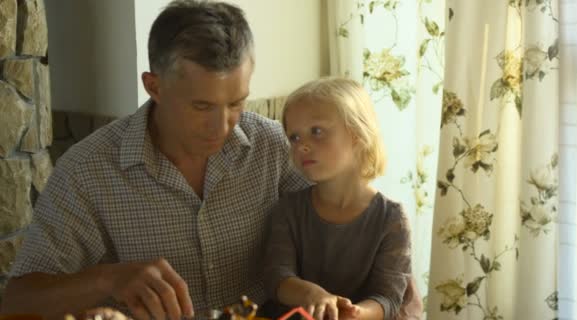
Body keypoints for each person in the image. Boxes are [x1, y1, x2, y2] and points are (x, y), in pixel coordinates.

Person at [1, 1, 422, 320]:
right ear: (155, 86)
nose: (222, 128)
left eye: (236, 103)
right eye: (202, 107)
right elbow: (16, 302)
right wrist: (109, 278)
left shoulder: (276, 148)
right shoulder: (88, 171)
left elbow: (364, 231)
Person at [263, 78, 414, 320]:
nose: (302, 146)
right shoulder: (288, 209)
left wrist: (356, 313)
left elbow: (389, 298)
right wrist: (312, 295)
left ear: (356, 133)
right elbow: (276, 277)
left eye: (317, 131)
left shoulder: (391, 218)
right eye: (294, 137)